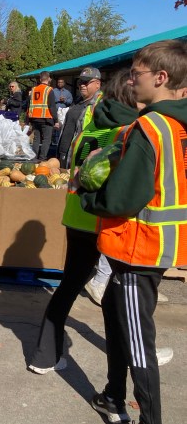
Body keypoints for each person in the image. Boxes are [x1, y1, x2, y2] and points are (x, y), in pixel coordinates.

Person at [80, 40, 187, 424]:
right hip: (160, 244)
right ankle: (112, 395)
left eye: (136, 74)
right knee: (114, 314)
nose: (131, 80)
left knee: (139, 341)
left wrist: (86, 196)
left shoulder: (149, 126)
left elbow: (122, 197)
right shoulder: (178, 125)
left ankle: (150, 419)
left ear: (161, 78)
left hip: (137, 249)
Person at [27, 69, 138, 377]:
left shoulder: (89, 125)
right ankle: (140, 354)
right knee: (125, 294)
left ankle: (43, 355)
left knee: (68, 287)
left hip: (76, 216)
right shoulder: (127, 130)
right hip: (107, 221)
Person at [57, 67, 103, 167]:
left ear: (97, 84)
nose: (82, 85)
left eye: (86, 82)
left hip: (80, 159)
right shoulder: (77, 101)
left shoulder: (100, 104)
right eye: (80, 82)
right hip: (65, 155)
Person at [26, 71, 59, 160]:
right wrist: (56, 120)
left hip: (34, 119)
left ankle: (34, 158)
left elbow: (28, 106)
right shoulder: (49, 90)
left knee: (36, 139)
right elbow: (52, 106)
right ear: (49, 79)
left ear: (40, 79)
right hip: (46, 119)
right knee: (46, 140)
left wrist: (27, 121)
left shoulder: (33, 90)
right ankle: (42, 158)